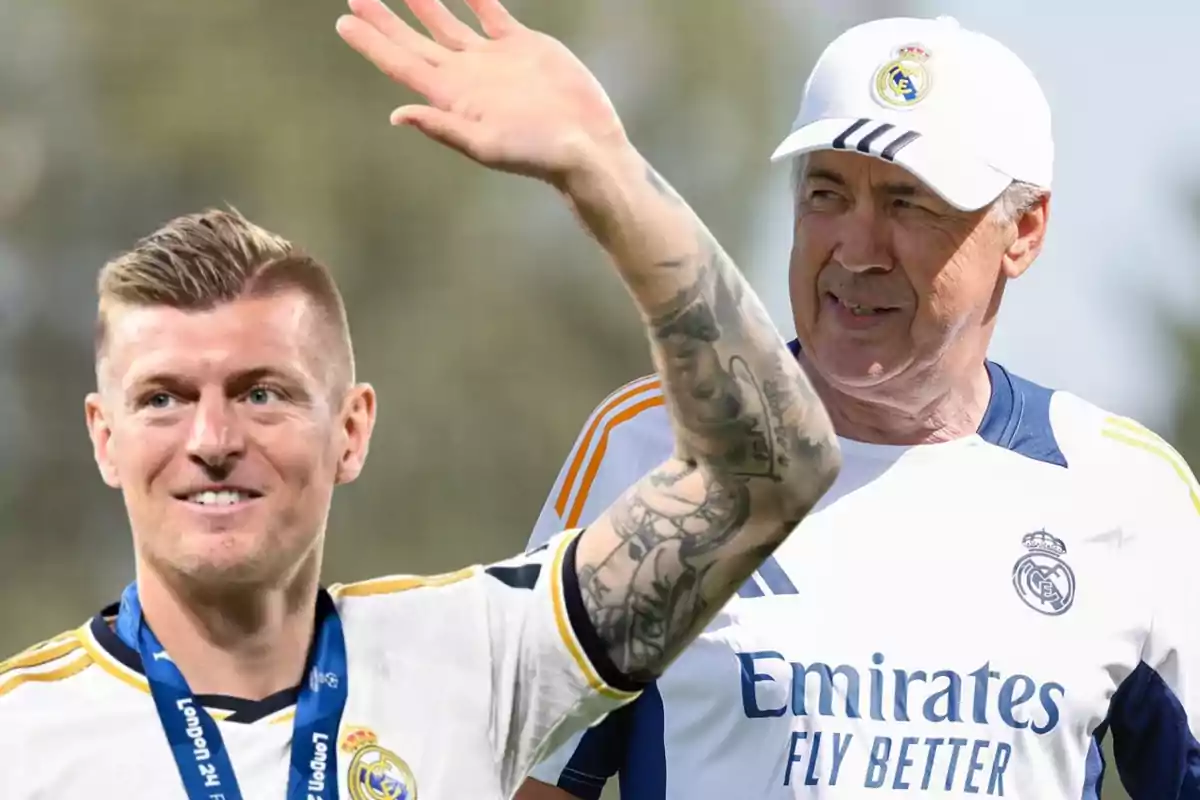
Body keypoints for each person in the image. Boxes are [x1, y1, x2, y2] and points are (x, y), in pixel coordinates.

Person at [0, 0, 843, 798]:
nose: (212, 436)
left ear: (352, 429)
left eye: (263, 394)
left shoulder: (476, 655)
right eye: (162, 400)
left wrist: (603, 169)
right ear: (104, 437)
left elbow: (771, 467)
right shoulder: (21, 737)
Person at [516, 14, 1200, 800]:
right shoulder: (655, 445)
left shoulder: (1128, 493)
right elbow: (523, 781)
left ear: (1026, 229)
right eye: (827, 194)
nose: (857, 247)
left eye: (909, 203)